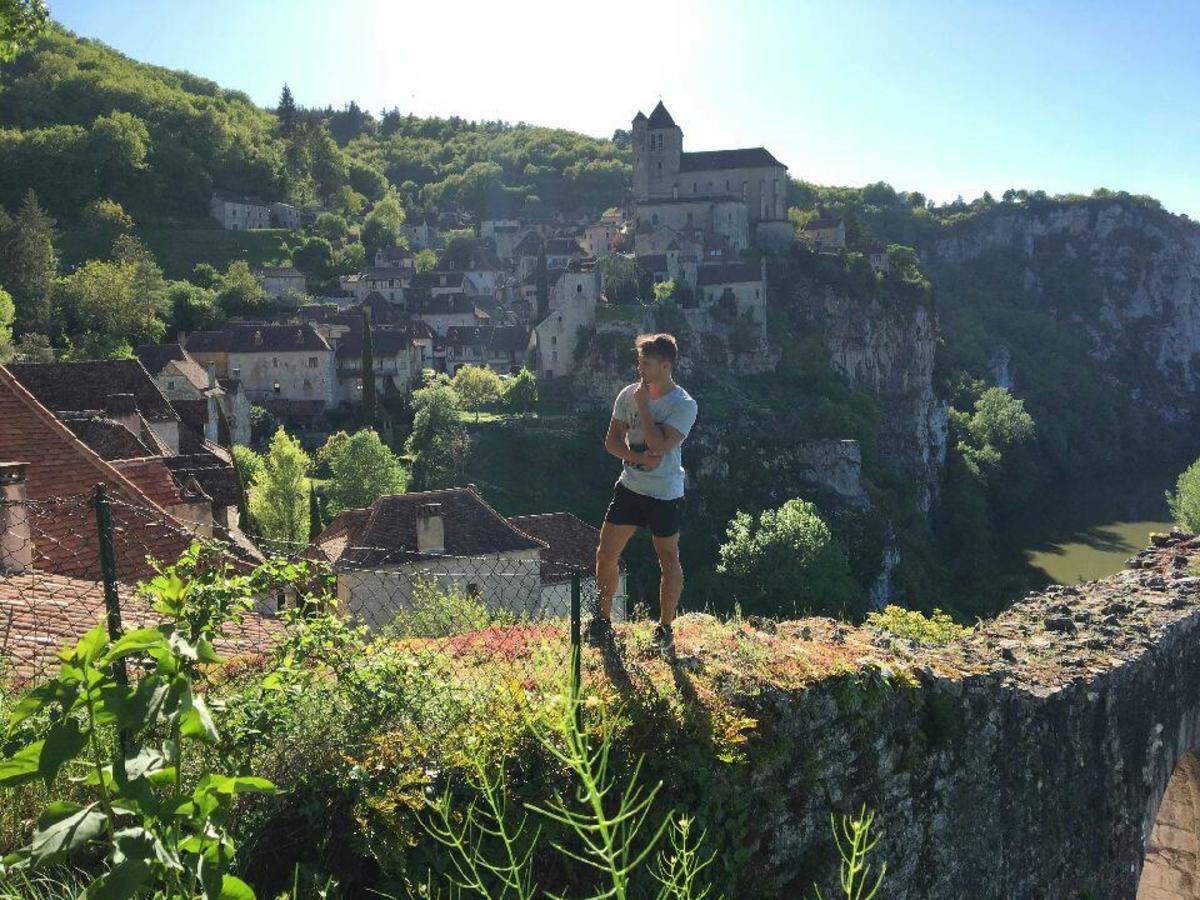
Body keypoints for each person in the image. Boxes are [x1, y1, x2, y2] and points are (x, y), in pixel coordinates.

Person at [590, 333, 698, 651]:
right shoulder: (628, 394)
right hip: (630, 487)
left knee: (668, 559)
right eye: (639, 362)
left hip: (665, 493)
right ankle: (602, 621)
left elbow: (658, 446)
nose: (640, 369)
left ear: (666, 366)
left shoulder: (684, 405)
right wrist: (637, 459)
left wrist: (644, 407)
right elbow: (611, 442)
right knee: (605, 553)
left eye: (646, 364)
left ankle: (665, 627)